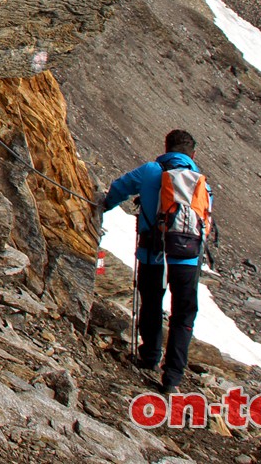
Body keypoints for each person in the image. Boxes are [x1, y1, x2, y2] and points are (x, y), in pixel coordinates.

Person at [103, 129, 212, 393]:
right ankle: (172, 377)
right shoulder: (201, 183)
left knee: (151, 304)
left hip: (153, 255)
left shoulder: (151, 170)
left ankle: (149, 357)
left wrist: (102, 206)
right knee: (183, 315)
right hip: (186, 260)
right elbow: (205, 225)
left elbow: (118, 189)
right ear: (193, 154)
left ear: (166, 147)